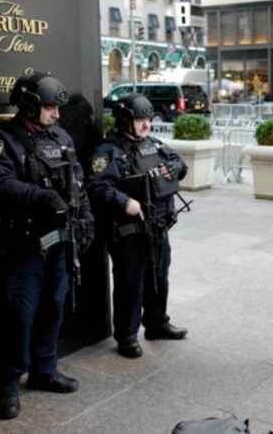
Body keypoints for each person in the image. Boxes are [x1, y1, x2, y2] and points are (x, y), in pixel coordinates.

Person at [0, 73, 94, 420]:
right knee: (19, 314)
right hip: (23, 244)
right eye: (48, 107)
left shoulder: (60, 138)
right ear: (29, 104)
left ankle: (45, 369)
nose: (56, 114)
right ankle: (9, 384)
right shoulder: (2, 141)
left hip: (59, 240)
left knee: (53, 306)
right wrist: (43, 198)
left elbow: (77, 182)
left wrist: (86, 219)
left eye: (57, 107)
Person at [86, 93, 188, 360]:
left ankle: (157, 324)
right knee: (130, 282)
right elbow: (96, 187)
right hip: (129, 232)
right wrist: (124, 202)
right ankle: (127, 335)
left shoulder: (153, 144)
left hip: (158, 227)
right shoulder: (108, 152)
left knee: (159, 277)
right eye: (139, 119)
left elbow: (180, 163)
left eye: (148, 119)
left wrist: (174, 169)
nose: (146, 125)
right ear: (124, 120)